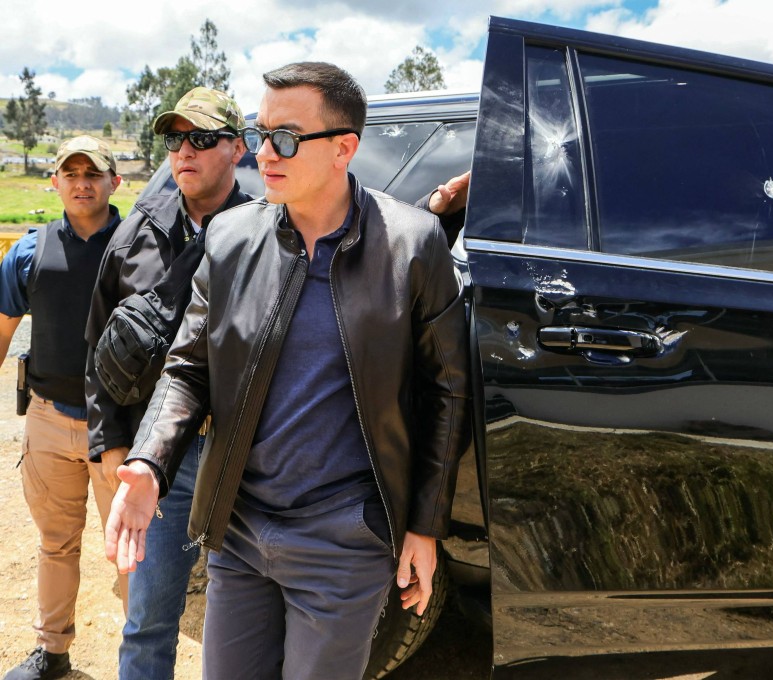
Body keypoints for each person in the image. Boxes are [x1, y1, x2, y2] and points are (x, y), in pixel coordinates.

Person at [105, 62, 471, 679]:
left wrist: (423, 526)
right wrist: (148, 462)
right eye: (260, 131)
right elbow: (190, 367)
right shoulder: (229, 238)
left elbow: (446, 392)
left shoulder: (413, 244)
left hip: (345, 540)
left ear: (344, 149)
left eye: (287, 138)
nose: (263, 152)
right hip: (240, 532)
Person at [83, 86, 250, 680]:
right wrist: (109, 443)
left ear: (236, 148)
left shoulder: (272, 233)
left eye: (201, 138)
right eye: (175, 139)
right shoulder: (134, 238)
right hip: (162, 458)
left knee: (246, 625)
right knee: (150, 619)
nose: (184, 150)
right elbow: (98, 348)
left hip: (248, 456)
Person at [0, 136, 129, 680]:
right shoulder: (28, 252)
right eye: (70, 173)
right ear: (55, 181)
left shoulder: (139, 247)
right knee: (56, 544)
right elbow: (3, 332)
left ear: (113, 182)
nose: (81, 182)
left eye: (93, 173)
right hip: (50, 420)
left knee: (133, 554)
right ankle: (52, 651)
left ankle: (141, 660)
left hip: (121, 428)